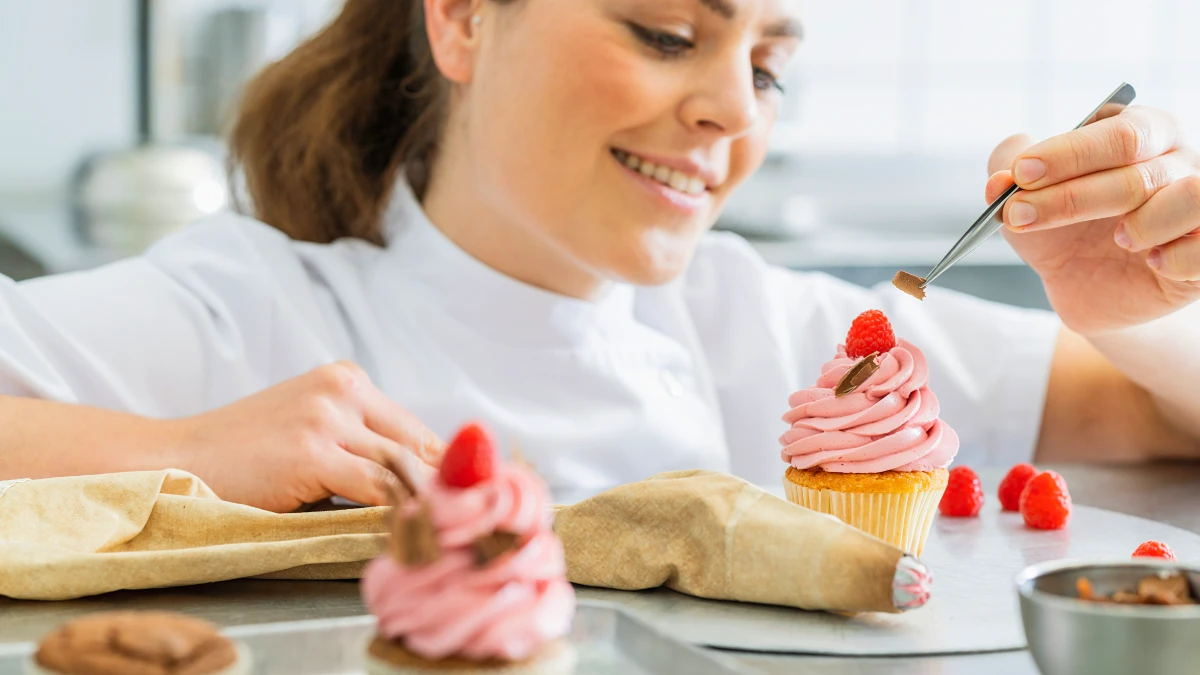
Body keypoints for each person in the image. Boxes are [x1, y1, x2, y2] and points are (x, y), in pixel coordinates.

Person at [2, 0, 1198, 512]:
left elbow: (1162, 422)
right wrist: (183, 452)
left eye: (768, 67)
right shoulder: (253, 312)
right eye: (669, 33)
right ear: (466, 19)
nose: (736, 111)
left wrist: (1128, 315)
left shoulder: (774, 331)